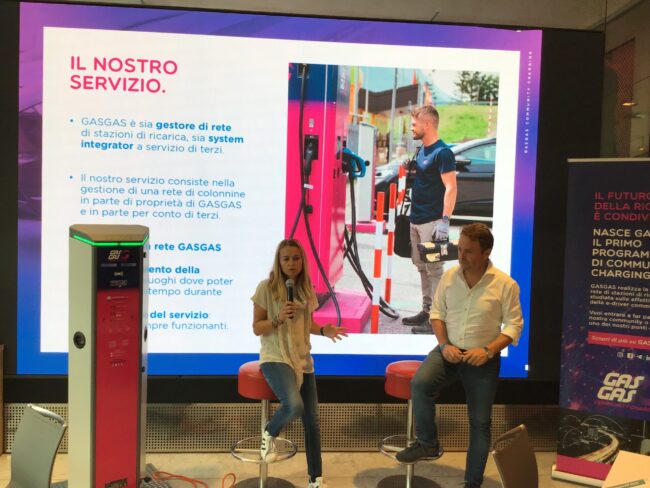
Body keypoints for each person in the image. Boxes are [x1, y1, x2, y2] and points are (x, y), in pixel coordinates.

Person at [396, 223, 524, 488]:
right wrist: (444, 345)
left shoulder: (505, 284)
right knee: (420, 384)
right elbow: (437, 314)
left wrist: (488, 350)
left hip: (483, 359)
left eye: (468, 251)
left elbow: (513, 326)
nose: (461, 255)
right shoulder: (449, 277)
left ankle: (472, 483)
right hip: (448, 351)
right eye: (460, 248)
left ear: (486, 253)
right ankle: (428, 443)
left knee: (480, 423)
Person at [252, 238, 347, 488]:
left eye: (296, 258)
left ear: (302, 261)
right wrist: (278, 318)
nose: (291, 263)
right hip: (275, 357)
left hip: (303, 359)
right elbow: (257, 327)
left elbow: (307, 324)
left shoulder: (305, 289)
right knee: (294, 406)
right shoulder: (266, 288)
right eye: (286, 259)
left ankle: (315, 479)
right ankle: (270, 431)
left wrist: (324, 330)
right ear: (279, 261)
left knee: (312, 423)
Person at [401, 104, 458, 334]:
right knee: (422, 267)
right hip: (416, 218)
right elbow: (426, 178)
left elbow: (451, 187)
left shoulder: (443, 153)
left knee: (434, 269)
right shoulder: (422, 150)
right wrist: (411, 167)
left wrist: (444, 220)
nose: (411, 128)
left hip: (432, 221)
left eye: (414, 124)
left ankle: (437, 320)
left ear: (427, 124)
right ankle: (427, 311)